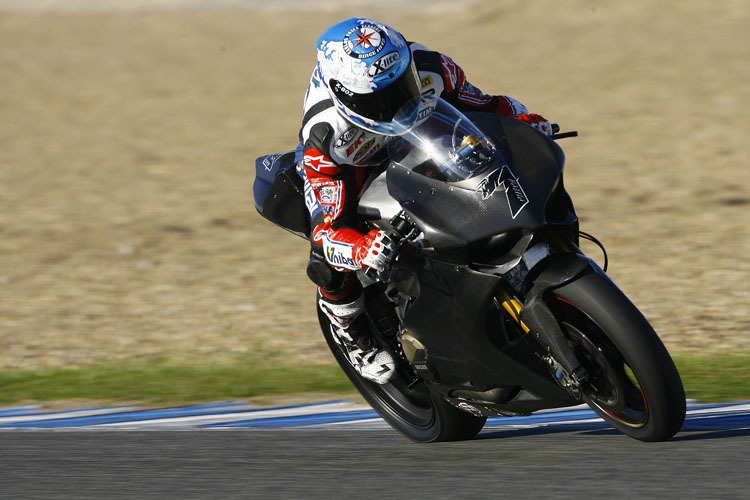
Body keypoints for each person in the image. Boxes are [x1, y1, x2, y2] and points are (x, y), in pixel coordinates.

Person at [298, 17, 552, 384]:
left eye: (403, 84)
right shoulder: (325, 136)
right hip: (356, 168)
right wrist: (360, 249)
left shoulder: (431, 67)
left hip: (420, 137)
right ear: (347, 96)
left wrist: (525, 121)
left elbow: (487, 106)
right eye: (381, 99)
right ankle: (349, 328)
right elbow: (327, 230)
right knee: (327, 257)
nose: (398, 101)